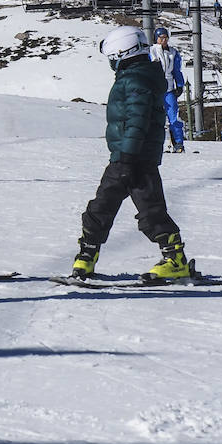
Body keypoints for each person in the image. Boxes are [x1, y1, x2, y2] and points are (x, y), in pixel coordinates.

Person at [71, 26, 192, 281]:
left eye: (112, 57)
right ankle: (87, 253)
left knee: (145, 210)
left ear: (122, 53)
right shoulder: (139, 76)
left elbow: (137, 120)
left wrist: (127, 157)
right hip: (128, 155)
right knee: (106, 205)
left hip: (134, 158)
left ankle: (175, 259)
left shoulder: (135, 80)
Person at [149, 26, 186, 153]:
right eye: (161, 38)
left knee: (174, 117)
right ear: (156, 38)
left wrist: (179, 85)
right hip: (154, 89)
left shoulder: (173, 53)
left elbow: (176, 70)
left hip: (168, 89)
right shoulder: (151, 51)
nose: (164, 40)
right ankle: (151, 145)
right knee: (153, 117)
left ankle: (178, 143)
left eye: (166, 38)